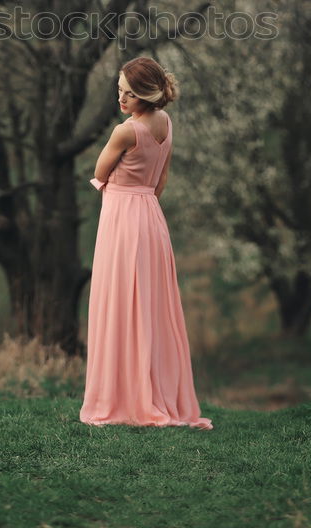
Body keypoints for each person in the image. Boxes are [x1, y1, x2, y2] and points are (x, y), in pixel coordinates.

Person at [79, 56, 213, 430]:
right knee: (149, 308)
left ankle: (124, 398)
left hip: (122, 218)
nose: (121, 98)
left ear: (146, 95)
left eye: (128, 93)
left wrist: (122, 192)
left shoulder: (125, 131)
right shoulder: (165, 124)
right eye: (120, 90)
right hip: (151, 216)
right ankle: (147, 393)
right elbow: (161, 180)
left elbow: (100, 172)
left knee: (120, 303)